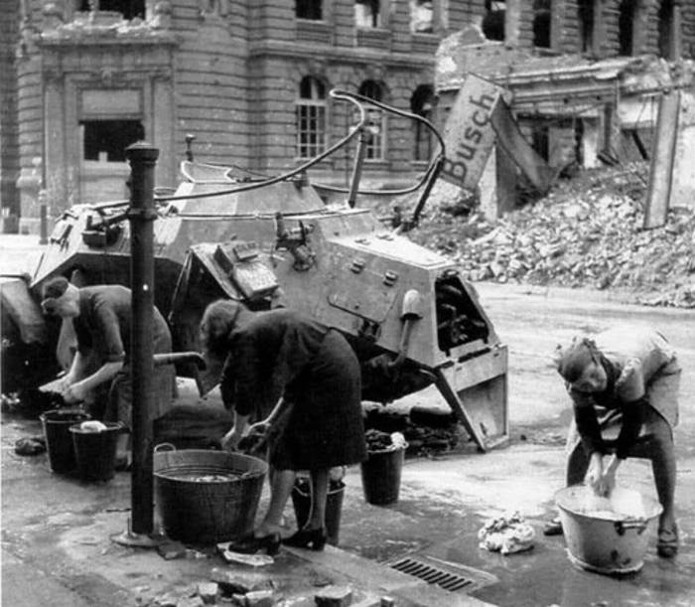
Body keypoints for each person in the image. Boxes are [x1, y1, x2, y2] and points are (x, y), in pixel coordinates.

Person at [199, 299, 366, 554]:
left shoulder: (245, 335)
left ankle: (268, 529)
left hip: (326, 371)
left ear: (218, 330)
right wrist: (270, 420)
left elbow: (246, 390)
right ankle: (316, 526)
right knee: (319, 450)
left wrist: (238, 430)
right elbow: (293, 384)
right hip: (340, 362)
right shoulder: (258, 324)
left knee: (285, 450)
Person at [549, 326, 681, 558]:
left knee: (658, 436)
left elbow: (632, 424)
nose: (592, 385)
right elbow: (587, 425)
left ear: (598, 360)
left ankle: (668, 519)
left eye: (594, 376)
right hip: (619, 355)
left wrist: (611, 470)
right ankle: (571, 509)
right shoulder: (575, 381)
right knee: (577, 439)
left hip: (658, 365)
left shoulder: (629, 371)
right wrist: (597, 464)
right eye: (584, 385)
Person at [40, 276, 176, 464]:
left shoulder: (102, 308)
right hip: (129, 339)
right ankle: (111, 438)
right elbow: (85, 349)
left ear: (68, 299)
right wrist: (72, 377)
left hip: (153, 338)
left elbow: (115, 363)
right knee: (109, 386)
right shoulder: (79, 307)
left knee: (126, 385)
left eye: (60, 310)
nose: (62, 316)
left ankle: (120, 453)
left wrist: (83, 387)